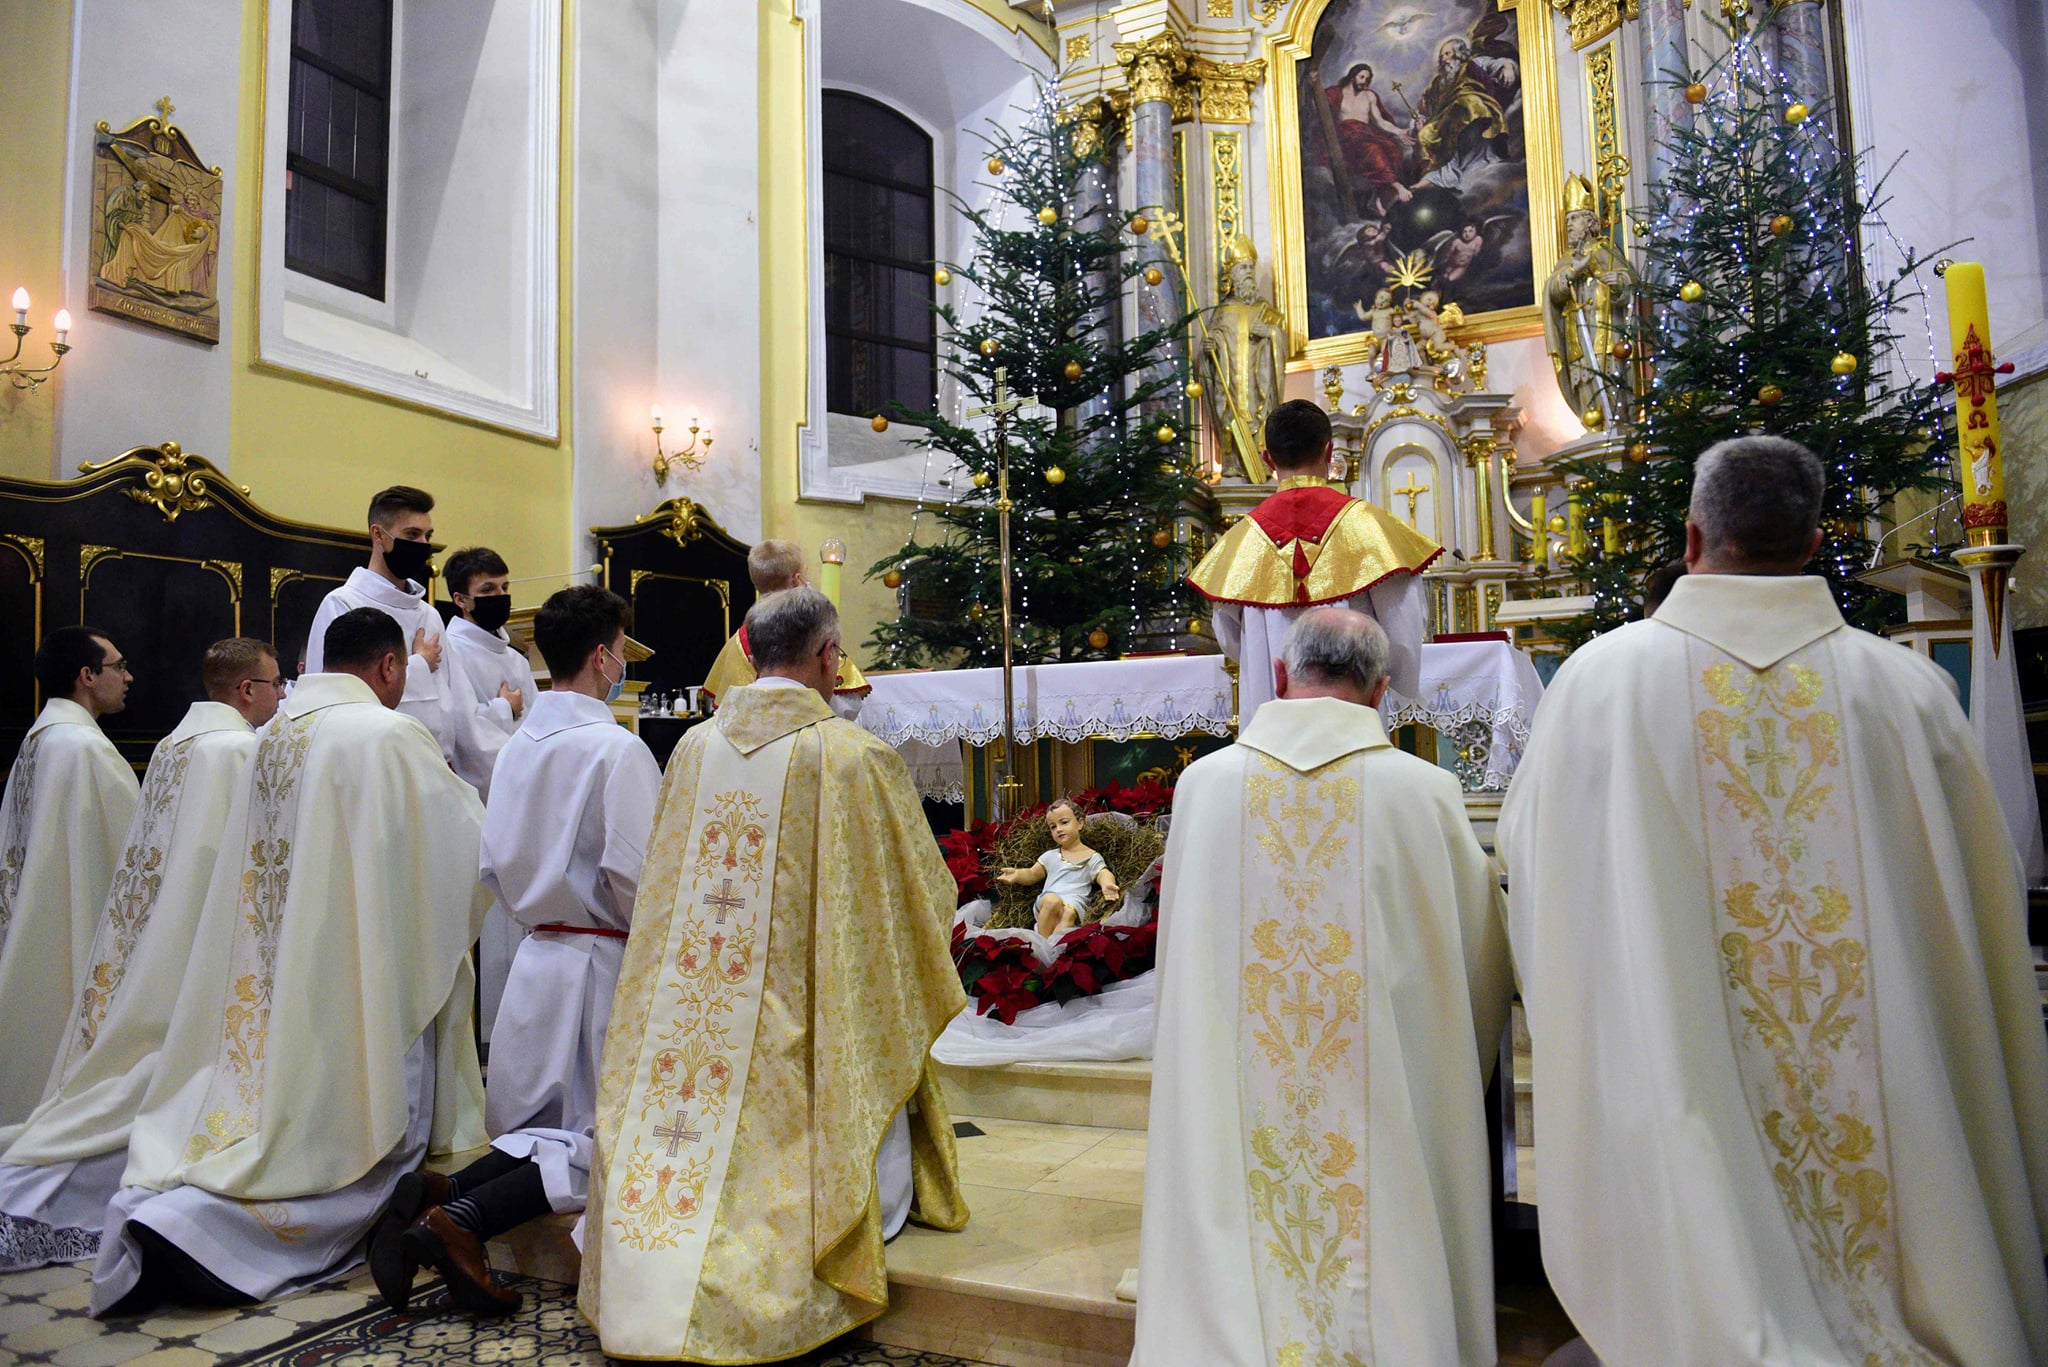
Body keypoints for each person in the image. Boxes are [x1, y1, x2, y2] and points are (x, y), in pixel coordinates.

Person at [1500, 436, 2048, 1365]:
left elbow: (1534, 865)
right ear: (1812, 542)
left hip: (1683, 1067)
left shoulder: (1602, 683)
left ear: (1690, 537)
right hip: (1896, 1108)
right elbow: (1979, 910)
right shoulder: (1906, 691)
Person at [580, 587, 967, 1361]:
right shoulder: (852, 756)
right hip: (805, 1016)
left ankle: (657, 1275)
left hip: (694, 1017)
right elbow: (916, 894)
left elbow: (659, 890)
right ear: (829, 655)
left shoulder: (691, 748)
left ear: (750, 654)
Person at [1130, 607, 1512, 1366]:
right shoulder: (1424, 791)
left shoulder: (1204, 787)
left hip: (1236, 1092)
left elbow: (1180, 963)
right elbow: (1475, 965)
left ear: (1279, 675)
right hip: (1379, 1108)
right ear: (1377, 693)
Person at [91, 608, 488, 1317]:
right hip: (365, 968)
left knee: (284, 1106)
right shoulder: (390, 734)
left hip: (284, 963)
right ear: (390, 667)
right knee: (355, 1143)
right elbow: (464, 847)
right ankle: (210, 1236)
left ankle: (182, 1216)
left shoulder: (274, 733)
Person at [369, 586, 660, 1317]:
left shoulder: (519, 743)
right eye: (622, 650)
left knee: (536, 1131)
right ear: (604, 656)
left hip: (535, 957)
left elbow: (492, 860)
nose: (622, 662)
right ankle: (459, 1222)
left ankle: (440, 1190)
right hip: (599, 961)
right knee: (598, 1143)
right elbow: (638, 872)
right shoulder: (617, 749)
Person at [0, 639, 280, 1271]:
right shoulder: (232, 750)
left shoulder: (169, 743)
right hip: (189, 933)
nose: (129, 675)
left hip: (140, 929)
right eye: (119, 666)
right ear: (246, 691)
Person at [1190, 400, 1440, 726]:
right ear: (1329, 450)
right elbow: (1403, 631)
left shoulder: (1242, 541)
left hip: (1272, 715)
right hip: (1354, 711)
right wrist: (1393, 680)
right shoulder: (1371, 529)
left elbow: (1230, 639)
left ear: (1268, 459)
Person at [0, 628, 141, 1128]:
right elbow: (138, 851)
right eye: (118, 667)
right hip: (71, 922)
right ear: (87, 676)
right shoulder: (84, 748)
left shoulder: (42, 738)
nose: (127, 678)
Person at [439, 545, 540, 1044]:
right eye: (487, 592)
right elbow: (461, 732)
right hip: (484, 801)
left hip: (521, 796)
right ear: (460, 599)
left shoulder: (515, 656)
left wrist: (514, 716)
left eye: (504, 588)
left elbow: (536, 721)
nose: (500, 598)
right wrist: (504, 712)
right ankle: (490, 1039)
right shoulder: (452, 650)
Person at [303, 485, 457, 760]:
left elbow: (448, 700)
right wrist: (419, 664)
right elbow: (329, 697)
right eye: (412, 534)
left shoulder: (429, 614)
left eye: (427, 535)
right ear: (378, 534)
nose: (423, 545)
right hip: (368, 760)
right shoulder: (342, 604)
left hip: (431, 761)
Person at [701, 539, 870, 718]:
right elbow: (848, 706)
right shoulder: (811, 631)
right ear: (797, 581)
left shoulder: (739, 640)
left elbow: (725, 710)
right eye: (806, 573)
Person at [995, 799, 1122, 938]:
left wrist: (1107, 884)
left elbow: (1102, 873)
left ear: (1080, 823)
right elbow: (1032, 873)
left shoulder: (1092, 857)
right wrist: (1017, 874)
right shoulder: (1051, 856)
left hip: (1076, 902)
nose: (1059, 829)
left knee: (1069, 913)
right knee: (1052, 901)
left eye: (1064, 822)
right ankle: (1042, 940)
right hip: (1049, 900)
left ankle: (1055, 946)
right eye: (1053, 827)